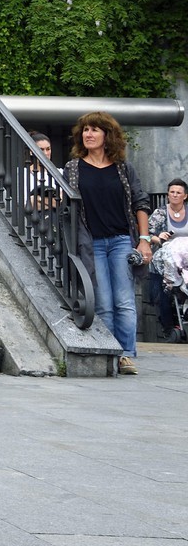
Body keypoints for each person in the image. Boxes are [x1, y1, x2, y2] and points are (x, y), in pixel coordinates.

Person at [63, 111, 151, 375]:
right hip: (92, 242)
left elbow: (140, 202)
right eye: (85, 130)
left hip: (122, 240)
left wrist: (144, 240)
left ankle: (125, 355)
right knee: (102, 301)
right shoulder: (73, 168)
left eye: (95, 130)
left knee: (124, 300)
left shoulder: (123, 168)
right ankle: (110, 352)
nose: (88, 134)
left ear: (107, 135)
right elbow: (66, 205)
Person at [144, 178, 188, 342]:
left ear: (185, 196)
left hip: (186, 259)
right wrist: (158, 238)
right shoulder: (160, 213)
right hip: (166, 261)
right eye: (172, 192)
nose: (175, 195)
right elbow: (146, 234)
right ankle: (168, 328)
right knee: (166, 291)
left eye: (178, 192)